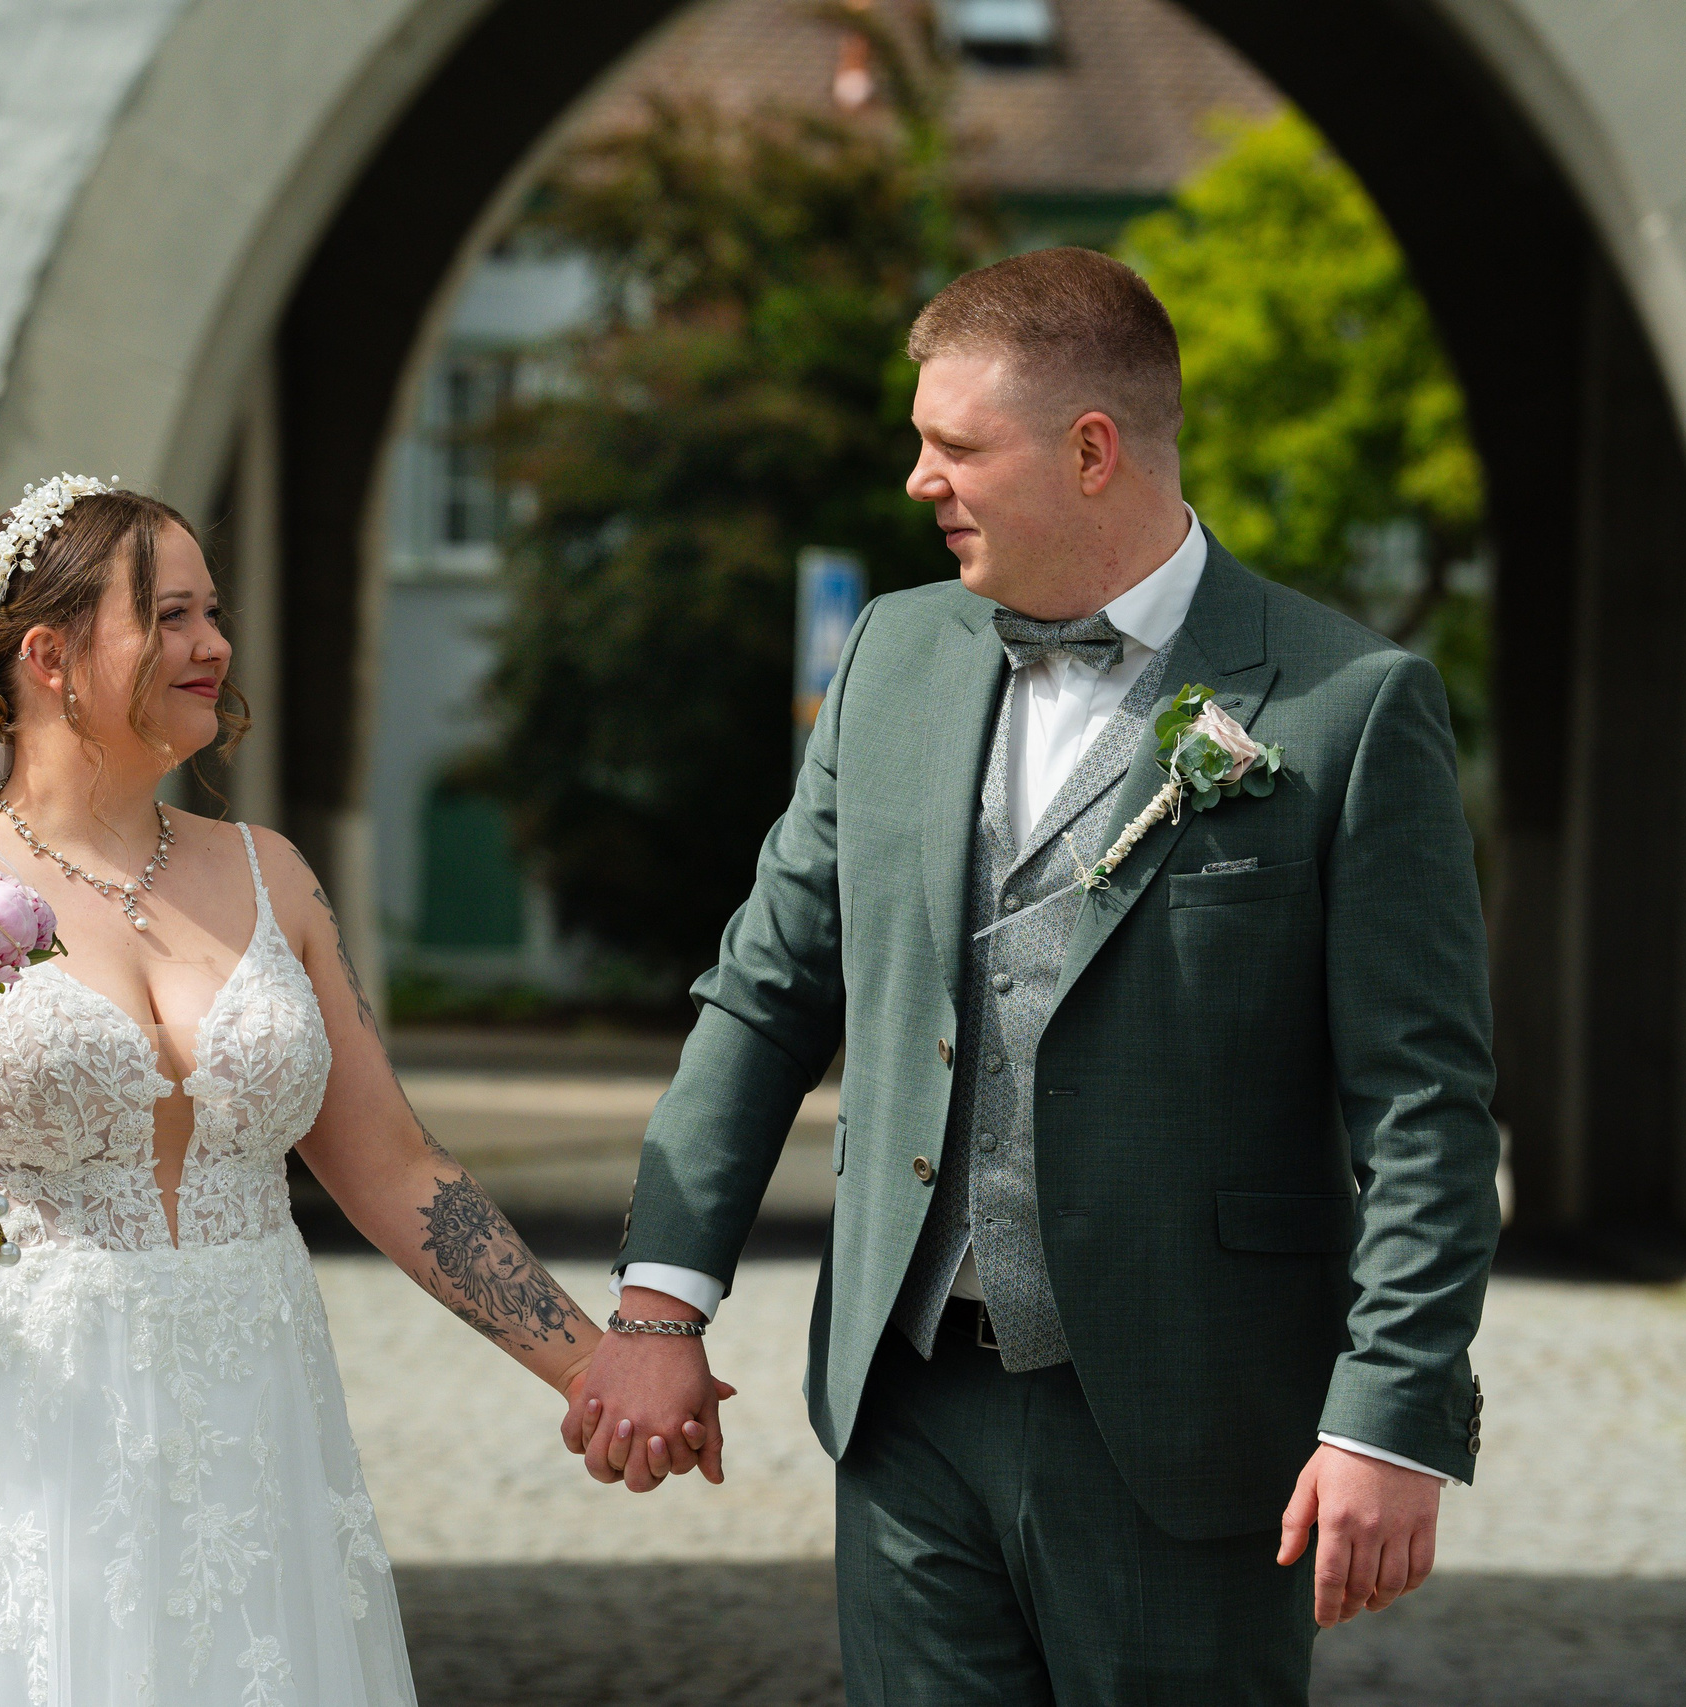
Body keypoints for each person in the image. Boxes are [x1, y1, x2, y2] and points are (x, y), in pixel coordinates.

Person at [567, 248, 1500, 1704]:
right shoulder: (893, 653)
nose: (916, 480)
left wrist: (1390, 1415)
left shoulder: (1347, 706)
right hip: (910, 1402)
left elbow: (1426, 1106)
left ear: (1089, 450)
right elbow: (764, 995)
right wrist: (659, 1302)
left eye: (954, 447)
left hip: (1195, 1423)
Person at [0, 481, 602, 1706]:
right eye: (172, 615)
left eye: (214, 612)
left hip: (248, 1443)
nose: (215, 645)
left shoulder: (269, 874)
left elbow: (394, 1167)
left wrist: (592, 1368)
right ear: (51, 655)